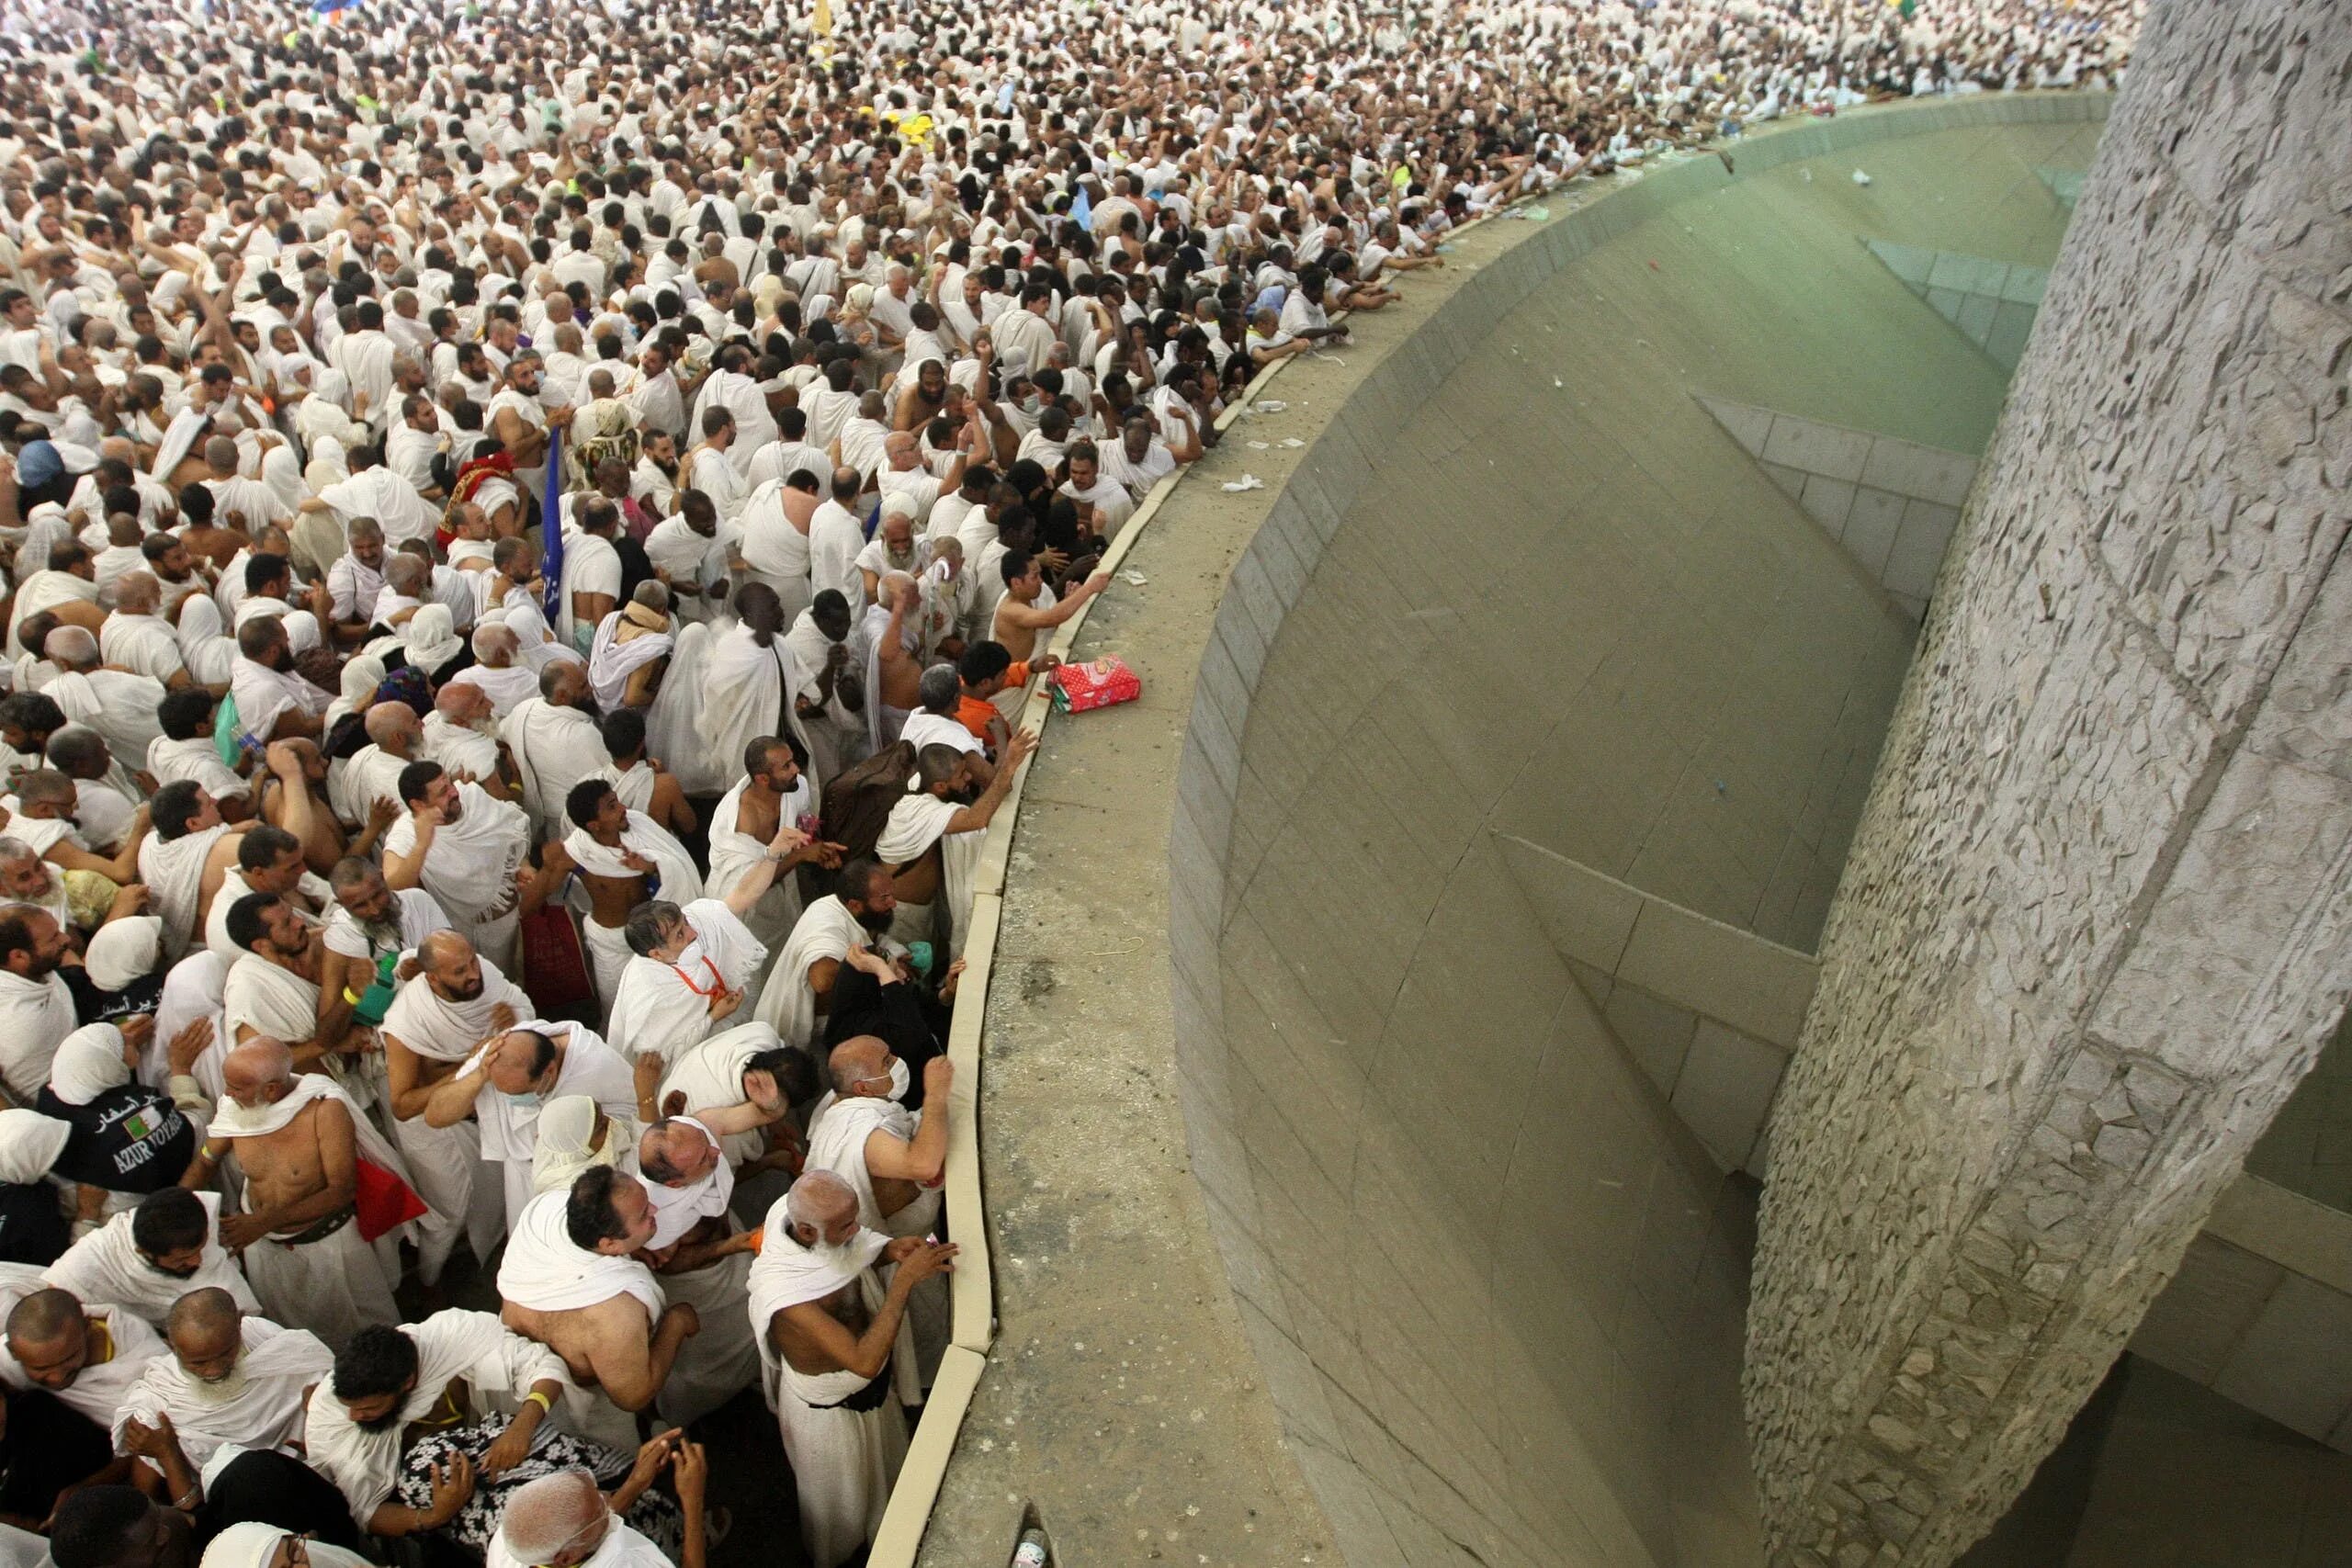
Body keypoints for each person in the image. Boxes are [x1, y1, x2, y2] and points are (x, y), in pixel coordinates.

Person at [307, 1316, 681, 1562]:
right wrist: (436, 1514)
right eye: (352, 1408)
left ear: (407, 1384)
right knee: (581, 1521)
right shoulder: (333, 1418)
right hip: (434, 1511)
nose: (354, 1418)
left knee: (573, 1478)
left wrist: (520, 1429)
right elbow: (362, 1510)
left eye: (369, 1410)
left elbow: (541, 1366)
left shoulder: (449, 1336)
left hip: (497, 1454)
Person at [748, 1171, 955, 1568]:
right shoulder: (788, 1298)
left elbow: (852, 1250)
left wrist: (888, 1250)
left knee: (890, 1476)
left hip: (876, 1397)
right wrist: (903, 1283)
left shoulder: (797, 1222)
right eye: (847, 1225)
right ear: (807, 1232)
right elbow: (863, 1361)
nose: (858, 1229)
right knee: (837, 1510)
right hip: (829, 1417)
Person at [187, 1039, 429, 1351]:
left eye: (237, 1087)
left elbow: (341, 1190)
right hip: (267, 1250)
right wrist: (175, 1205)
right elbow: (207, 1158)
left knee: (369, 1332)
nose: (228, 1094)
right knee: (288, 1334)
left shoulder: (324, 1111)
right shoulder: (236, 1110)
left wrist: (261, 1222)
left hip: (329, 1245)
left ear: (272, 1089)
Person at [493, 1171, 700, 1448]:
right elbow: (632, 1396)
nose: (655, 1209)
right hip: (585, 1405)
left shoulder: (543, 1210)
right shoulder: (617, 1313)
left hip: (514, 1369)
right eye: (642, 1215)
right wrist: (677, 1321)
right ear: (608, 1243)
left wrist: (627, 1249)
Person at [379, 931, 532, 1280]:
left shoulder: (485, 975)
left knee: (500, 1191)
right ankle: (429, 1280)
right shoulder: (408, 1021)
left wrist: (514, 1020)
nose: (473, 974)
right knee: (451, 1210)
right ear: (433, 978)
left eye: (472, 962)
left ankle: (497, 1255)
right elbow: (402, 1105)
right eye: (460, 971)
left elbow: (516, 1003)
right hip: (431, 1124)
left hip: (486, 1109)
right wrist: (471, 1064)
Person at [426, 1024, 636, 1233]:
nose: (511, 1099)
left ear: (550, 1071)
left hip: (579, 1184)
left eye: (519, 1093)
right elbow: (435, 1116)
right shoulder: (497, 1052)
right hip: (521, 1172)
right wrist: (478, 1076)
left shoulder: (598, 1065)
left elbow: (631, 1123)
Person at [113, 1290, 331, 1477]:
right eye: (198, 1363)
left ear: (239, 1322)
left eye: (226, 1353)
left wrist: (320, 1408)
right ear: (171, 1346)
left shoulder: (284, 1350)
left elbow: (325, 1392)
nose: (215, 1371)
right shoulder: (158, 1396)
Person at [875, 734, 1035, 957]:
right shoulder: (922, 811)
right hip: (903, 915)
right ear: (940, 786)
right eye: (961, 775)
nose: (968, 777)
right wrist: (1007, 767)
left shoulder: (922, 785)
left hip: (922, 908)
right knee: (911, 966)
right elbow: (976, 819)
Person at [42, 1188, 260, 1332]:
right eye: (182, 1259)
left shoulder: (192, 1209)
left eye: (200, 1249)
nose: (197, 1262)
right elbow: (56, 1296)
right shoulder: (96, 1254)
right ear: (143, 1252)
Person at [753, 862, 909, 1049]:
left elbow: (870, 937)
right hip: (803, 1035)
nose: (893, 903)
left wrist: (892, 954)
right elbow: (822, 979)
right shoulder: (825, 919)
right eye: (884, 898)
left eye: (891, 894)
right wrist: (881, 966)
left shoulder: (855, 912)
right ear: (855, 905)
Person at [0, 1287, 167, 1433]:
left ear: (88, 1327)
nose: (56, 1378)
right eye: (41, 1369)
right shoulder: (20, 1348)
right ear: (14, 1353)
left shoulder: (147, 1356)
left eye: (69, 1358)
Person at [485, 1458, 706, 1568]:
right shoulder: (629, 1562)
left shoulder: (508, 1542)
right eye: (601, 1509)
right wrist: (693, 1502)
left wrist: (636, 1483)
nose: (608, 1497)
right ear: (567, 1558)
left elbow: (586, 1528)